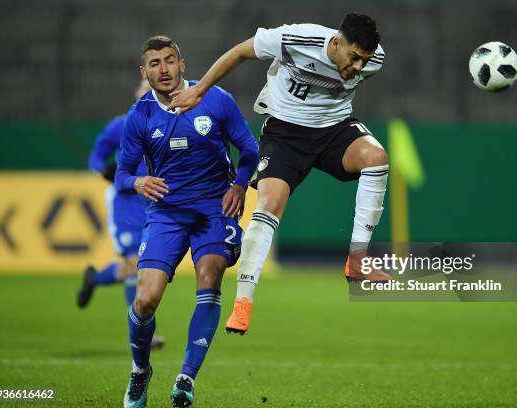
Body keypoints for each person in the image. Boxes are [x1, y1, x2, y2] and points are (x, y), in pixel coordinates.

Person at [168, 13, 391, 335]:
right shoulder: (296, 39)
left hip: (334, 130)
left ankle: (357, 260)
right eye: (353, 57)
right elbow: (240, 52)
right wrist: (199, 91)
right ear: (336, 42)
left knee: (376, 158)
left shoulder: (375, 60)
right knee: (268, 206)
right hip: (285, 134)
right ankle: (242, 304)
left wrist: (357, 65)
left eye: (364, 60)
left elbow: (355, 73)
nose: (358, 66)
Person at [115, 36, 259, 408]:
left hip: (215, 208)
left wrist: (240, 186)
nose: (163, 69)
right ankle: (140, 371)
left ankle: (185, 380)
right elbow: (122, 174)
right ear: (143, 72)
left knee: (209, 278)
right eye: (154, 64)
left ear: (183, 64)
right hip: (166, 212)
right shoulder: (140, 116)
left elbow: (250, 149)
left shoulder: (216, 100)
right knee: (145, 300)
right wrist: (137, 181)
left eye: (169, 60)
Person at [77, 79, 165, 349]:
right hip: (125, 204)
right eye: (143, 86)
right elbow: (97, 155)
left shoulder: (168, 122)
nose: (148, 91)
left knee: (134, 267)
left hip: (150, 202)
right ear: (137, 92)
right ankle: (141, 333)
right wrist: (105, 171)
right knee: (135, 265)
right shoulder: (122, 124)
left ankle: (96, 278)